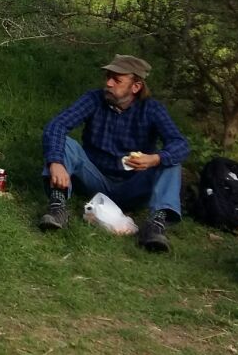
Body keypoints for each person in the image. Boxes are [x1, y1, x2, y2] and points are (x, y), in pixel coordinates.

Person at [38, 55, 190, 253]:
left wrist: (154, 159)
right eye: (108, 77)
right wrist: (56, 162)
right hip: (95, 178)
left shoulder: (152, 109)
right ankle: (57, 207)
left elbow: (180, 144)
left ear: (135, 87)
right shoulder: (94, 99)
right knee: (64, 144)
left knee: (171, 161)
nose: (109, 83)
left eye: (117, 80)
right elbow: (57, 126)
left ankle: (156, 225)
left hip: (132, 184)